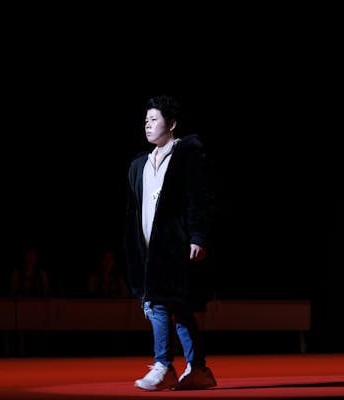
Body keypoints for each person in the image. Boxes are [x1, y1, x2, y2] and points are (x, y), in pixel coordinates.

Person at [124, 94, 217, 391]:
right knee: (178, 305)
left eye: (154, 119)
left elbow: (199, 197)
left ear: (172, 123)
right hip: (148, 247)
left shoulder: (186, 154)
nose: (148, 124)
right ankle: (199, 369)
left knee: (158, 302)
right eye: (146, 120)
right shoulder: (140, 164)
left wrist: (198, 236)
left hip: (175, 244)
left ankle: (163, 365)